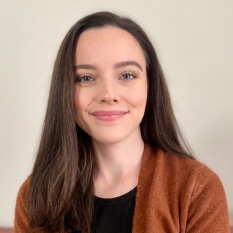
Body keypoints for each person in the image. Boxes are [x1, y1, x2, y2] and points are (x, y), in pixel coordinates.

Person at [14, 11, 230, 233]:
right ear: (65, 92)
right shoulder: (34, 195)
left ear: (150, 86)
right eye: (86, 78)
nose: (108, 94)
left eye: (127, 75)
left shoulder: (196, 187)